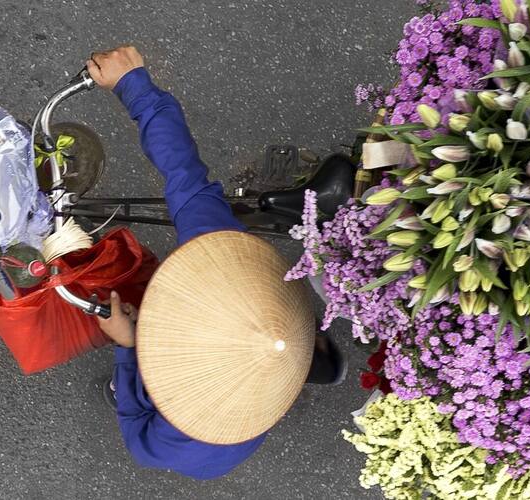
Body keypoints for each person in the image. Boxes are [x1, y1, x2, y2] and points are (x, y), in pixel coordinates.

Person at [83, 46, 344, 480]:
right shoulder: (192, 440)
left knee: (128, 394)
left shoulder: (224, 257)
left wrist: (134, 85)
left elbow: (183, 172)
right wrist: (126, 346)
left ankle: (122, 384)